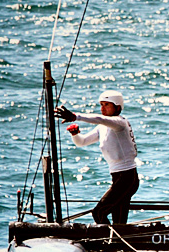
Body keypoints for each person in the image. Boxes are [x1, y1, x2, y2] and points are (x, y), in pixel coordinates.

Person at [55, 90, 139, 225]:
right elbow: (82, 142)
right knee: (119, 222)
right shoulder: (103, 127)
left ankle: (106, 240)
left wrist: (75, 116)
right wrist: (75, 134)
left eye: (107, 105)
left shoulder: (119, 123)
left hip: (127, 177)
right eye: (101, 104)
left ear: (117, 107)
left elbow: (99, 119)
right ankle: (115, 243)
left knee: (98, 212)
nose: (102, 108)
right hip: (118, 177)